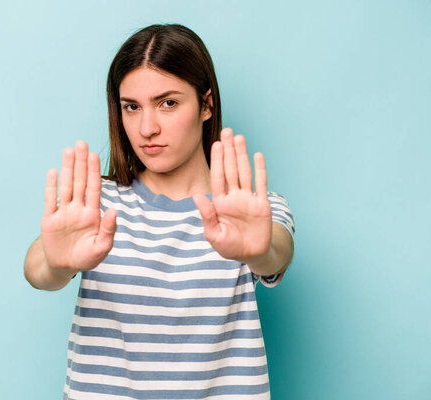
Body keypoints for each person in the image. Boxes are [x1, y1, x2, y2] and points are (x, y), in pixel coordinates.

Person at [24, 23, 295, 400]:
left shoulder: (249, 210)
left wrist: (259, 252)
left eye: (168, 103)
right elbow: (39, 270)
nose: (146, 128)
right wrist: (57, 265)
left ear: (206, 104)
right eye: (131, 107)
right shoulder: (93, 203)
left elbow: (276, 252)